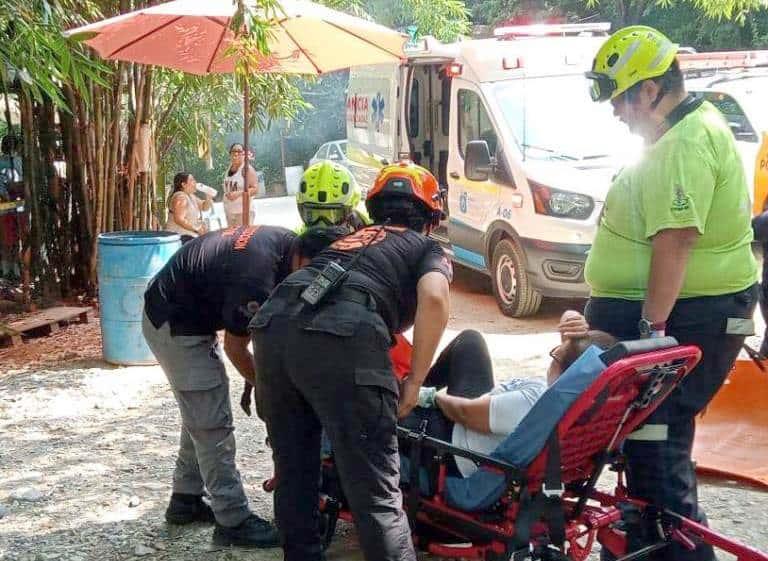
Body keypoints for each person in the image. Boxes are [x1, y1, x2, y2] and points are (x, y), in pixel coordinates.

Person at [584, 25, 759, 561]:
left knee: (657, 435)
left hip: (697, 313)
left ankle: (676, 548)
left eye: (621, 98)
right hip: (698, 310)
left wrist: (650, 335)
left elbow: (677, 240)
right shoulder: (682, 132)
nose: (617, 111)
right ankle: (647, 540)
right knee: (648, 435)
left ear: (651, 91)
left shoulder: (683, 144)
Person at [250, 161, 452, 561]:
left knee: (295, 475)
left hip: (274, 328)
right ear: (430, 218)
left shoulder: (353, 239)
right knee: (376, 494)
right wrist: (413, 383)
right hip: (342, 337)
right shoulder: (426, 247)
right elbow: (434, 298)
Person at [142, 225, 322, 548]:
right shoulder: (257, 277)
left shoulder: (284, 244)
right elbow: (236, 349)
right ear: (303, 260)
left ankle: (185, 499)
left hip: (182, 310)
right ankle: (232, 519)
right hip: (174, 321)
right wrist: (270, 391)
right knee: (213, 424)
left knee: (202, 411)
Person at [401, 312, 616, 477]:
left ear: (566, 367)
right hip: (486, 420)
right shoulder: (583, 401)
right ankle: (412, 389)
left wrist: (428, 397)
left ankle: (405, 395)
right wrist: (572, 319)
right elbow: (574, 359)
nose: (556, 350)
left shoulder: (535, 402)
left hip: (458, 444)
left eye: (557, 353)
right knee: (470, 341)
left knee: (383, 405)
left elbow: (464, 413)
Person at [165, 172, 212, 242]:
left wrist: (208, 198)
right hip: (179, 237)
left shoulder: (191, 196)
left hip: (189, 236)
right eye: (192, 180)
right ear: (183, 184)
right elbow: (179, 219)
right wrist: (197, 229)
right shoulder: (180, 197)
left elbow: (204, 207)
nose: (195, 182)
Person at [223, 143, 259, 227]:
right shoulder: (229, 168)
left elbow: (255, 189)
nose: (236, 154)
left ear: (243, 154)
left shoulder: (247, 169)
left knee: (241, 238)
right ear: (230, 154)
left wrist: (238, 193)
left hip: (243, 212)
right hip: (230, 212)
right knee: (232, 239)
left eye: (239, 151)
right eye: (233, 151)